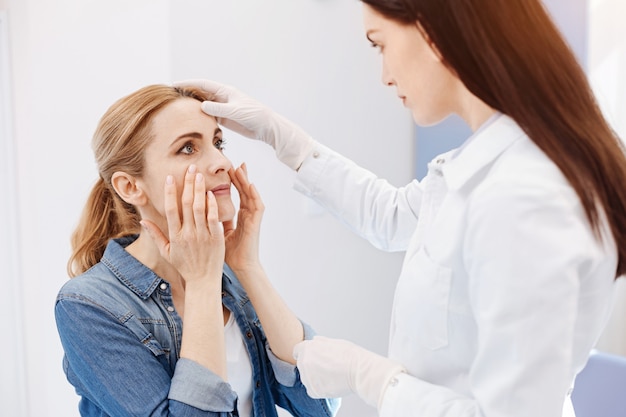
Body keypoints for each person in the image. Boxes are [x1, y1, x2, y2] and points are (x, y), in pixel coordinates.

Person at [176, 0, 626, 416]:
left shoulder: (522, 196)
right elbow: (392, 217)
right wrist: (280, 135)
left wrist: (369, 376)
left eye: (380, 44)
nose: (385, 76)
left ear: (431, 32)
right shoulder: (488, 167)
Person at [55, 84, 340, 417]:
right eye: (188, 148)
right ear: (130, 187)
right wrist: (202, 283)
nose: (221, 162)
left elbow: (318, 405)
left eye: (218, 142)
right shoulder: (86, 305)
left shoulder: (230, 273)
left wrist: (248, 267)